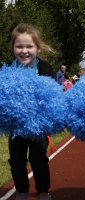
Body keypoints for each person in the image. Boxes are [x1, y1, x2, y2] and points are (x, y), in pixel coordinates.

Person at [8, 23, 55, 200]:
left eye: (29, 46)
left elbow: (52, 96)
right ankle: (22, 190)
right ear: (13, 48)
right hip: (16, 127)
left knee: (39, 159)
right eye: (19, 46)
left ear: (38, 48)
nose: (24, 51)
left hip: (38, 126)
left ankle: (43, 191)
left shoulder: (44, 68)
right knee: (17, 160)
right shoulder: (9, 70)